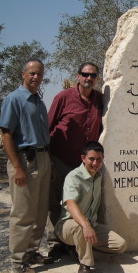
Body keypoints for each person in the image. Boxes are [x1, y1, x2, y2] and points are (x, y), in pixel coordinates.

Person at [0, 59, 53, 273]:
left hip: (43, 157)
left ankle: (31, 252)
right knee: (22, 213)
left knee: (40, 211)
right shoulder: (14, 99)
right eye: (32, 73)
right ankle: (18, 261)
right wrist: (18, 167)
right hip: (25, 161)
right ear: (23, 74)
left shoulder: (38, 101)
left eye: (39, 74)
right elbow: (6, 135)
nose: (35, 77)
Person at [47, 62, 104, 260]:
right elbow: (48, 127)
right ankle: (56, 243)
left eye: (93, 75)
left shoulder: (99, 99)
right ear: (78, 76)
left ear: (97, 78)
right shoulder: (63, 98)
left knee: (81, 201)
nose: (89, 78)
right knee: (56, 202)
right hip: (61, 158)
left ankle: (75, 240)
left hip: (85, 164)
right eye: (85, 74)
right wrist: (50, 162)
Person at [55, 141, 127, 273]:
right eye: (91, 159)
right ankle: (85, 265)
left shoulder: (98, 176)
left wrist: (90, 226)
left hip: (91, 225)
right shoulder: (74, 177)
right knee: (80, 227)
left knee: (120, 245)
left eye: (99, 159)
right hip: (68, 226)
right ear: (83, 158)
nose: (95, 163)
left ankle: (76, 250)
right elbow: (70, 204)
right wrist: (86, 225)